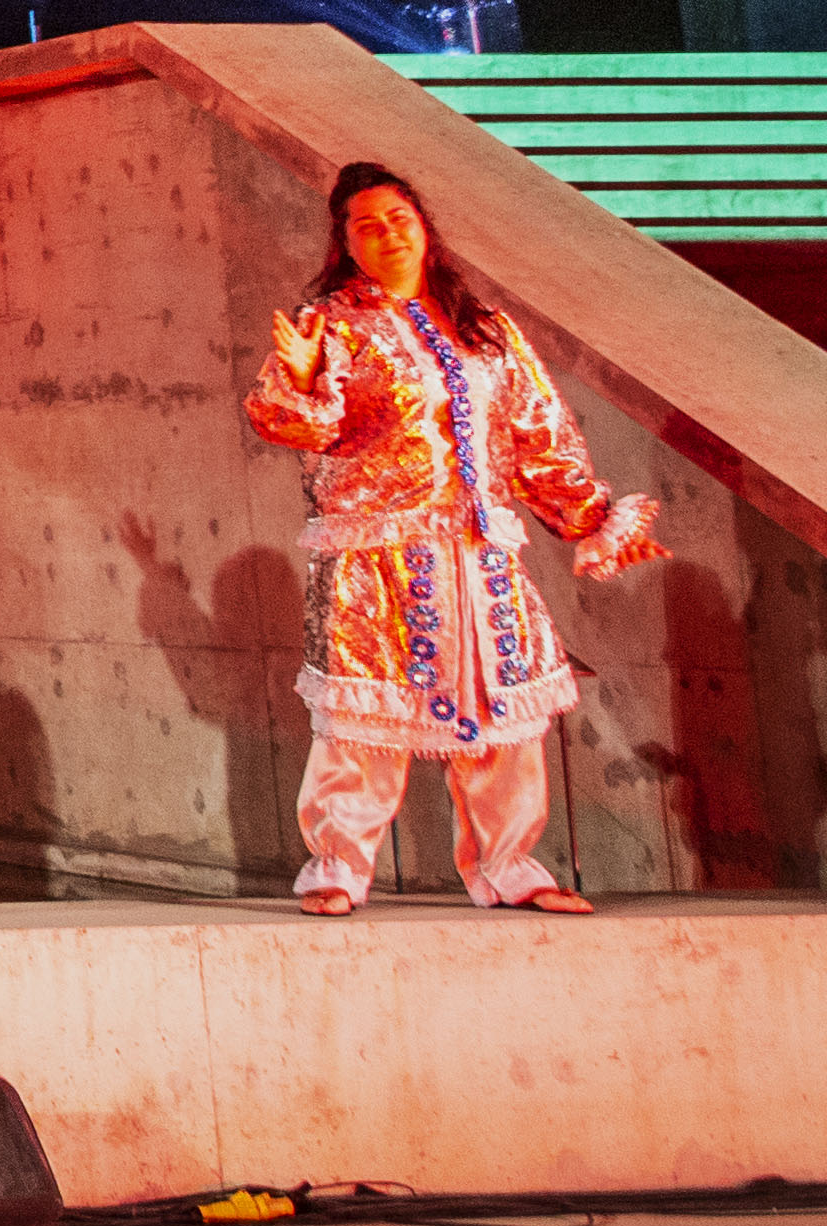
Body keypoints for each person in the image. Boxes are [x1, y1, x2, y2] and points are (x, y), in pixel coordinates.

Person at [247, 161, 663, 916]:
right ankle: (338, 869)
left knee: (502, 710)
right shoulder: (329, 325)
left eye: (398, 219)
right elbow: (300, 427)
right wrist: (303, 380)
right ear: (346, 244)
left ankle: (510, 868)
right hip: (379, 550)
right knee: (366, 716)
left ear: (426, 229)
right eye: (366, 226)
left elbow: (536, 433)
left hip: (479, 551)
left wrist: (594, 516)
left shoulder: (484, 329)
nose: (386, 234)